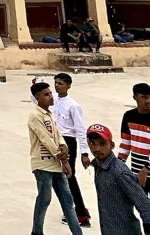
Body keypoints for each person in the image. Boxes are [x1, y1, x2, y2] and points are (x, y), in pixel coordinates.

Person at [28, 81, 84, 235]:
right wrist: (64, 159)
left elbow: (57, 135)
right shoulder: (35, 116)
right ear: (37, 97)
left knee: (67, 201)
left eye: (50, 93)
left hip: (56, 165)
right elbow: (45, 139)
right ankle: (36, 231)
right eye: (46, 94)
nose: (51, 97)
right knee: (44, 199)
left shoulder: (50, 115)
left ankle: (77, 232)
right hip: (43, 165)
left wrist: (64, 146)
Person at [86, 122, 150, 234]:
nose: (97, 148)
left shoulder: (119, 172)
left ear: (112, 145)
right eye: (93, 143)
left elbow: (147, 208)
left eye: (102, 144)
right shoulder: (99, 167)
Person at [52, 73, 92, 228]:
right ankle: (71, 209)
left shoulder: (73, 105)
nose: (57, 86)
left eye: (60, 83)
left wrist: (84, 153)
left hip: (68, 142)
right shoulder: (53, 99)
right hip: (55, 140)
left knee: (69, 177)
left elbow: (80, 130)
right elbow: (36, 99)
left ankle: (79, 212)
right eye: (55, 83)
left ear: (68, 86)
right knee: (59, 177)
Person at [119, 82, 150, 205]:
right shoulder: (128, 116)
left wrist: (146, 170)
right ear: (135, 97)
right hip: (137, 173)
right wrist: (118, 165)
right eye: (144, 97)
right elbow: (125, 144)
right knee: (144, 211)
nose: (149, 101)